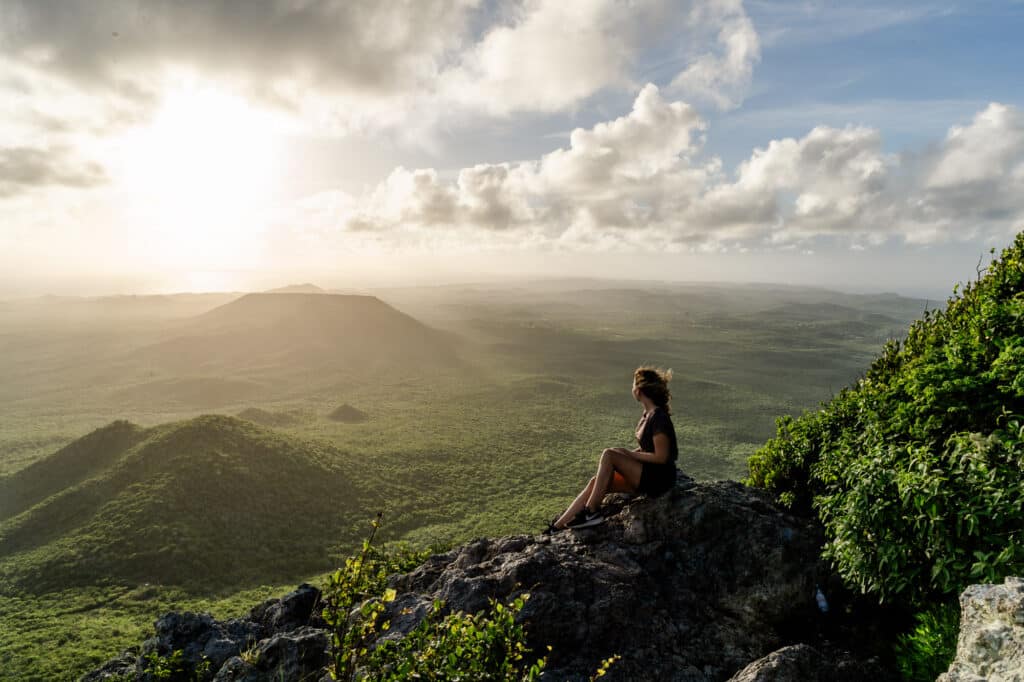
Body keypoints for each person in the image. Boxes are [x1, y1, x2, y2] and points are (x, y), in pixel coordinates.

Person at [547, 366, 678, 532]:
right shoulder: (648, 415)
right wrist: (628, 454)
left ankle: (592, 513)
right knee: (595, 482)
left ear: (639, 390)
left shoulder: (658, 417)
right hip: (646, 473)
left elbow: (661, 457)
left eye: (633, 385)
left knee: (609, 454)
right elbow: (647, 448)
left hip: (659, 479)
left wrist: (628, 455)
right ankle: (556, 528)